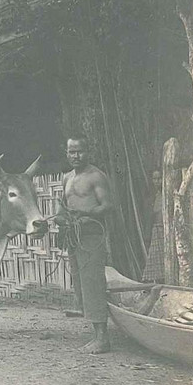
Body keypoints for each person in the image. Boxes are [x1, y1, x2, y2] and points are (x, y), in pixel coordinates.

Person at [55, 136, 114, 354]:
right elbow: (63, 207)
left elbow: (108, 206)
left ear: (88, 151)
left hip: (91, 236)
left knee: (93, 283)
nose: (75, 156)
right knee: (80, 284)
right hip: (73, 236)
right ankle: (95, 334)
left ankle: (102, 338)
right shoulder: (67, 178)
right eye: (71, 152)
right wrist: (60, 219)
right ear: (66, 153)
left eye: (79, 151)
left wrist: (85, 214)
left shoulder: (96, 176)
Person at [141, 170, 166, 283]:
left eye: (159, 178)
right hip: (156, 230)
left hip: (166, 231)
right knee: (155, 260)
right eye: (155, 179)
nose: (157, 181)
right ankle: (157, 283)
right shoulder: (153, 197)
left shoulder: (168, 195)